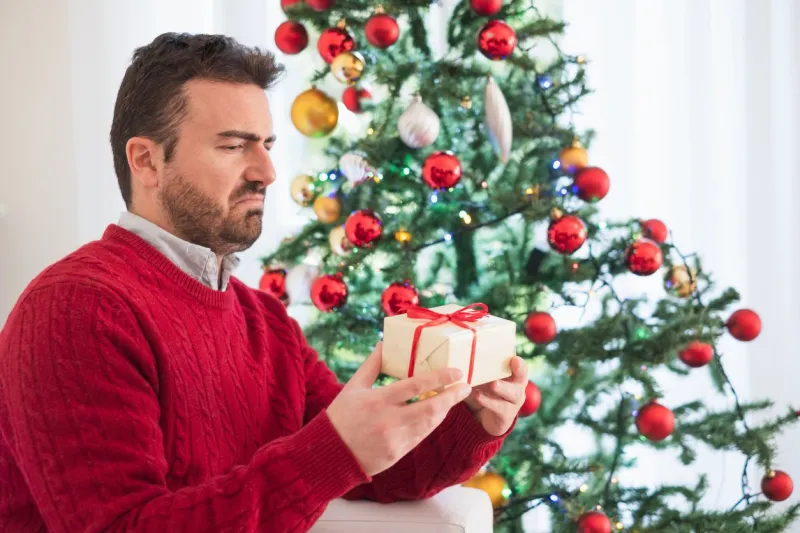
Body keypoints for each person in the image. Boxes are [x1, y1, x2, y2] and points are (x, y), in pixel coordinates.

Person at [0, 32, 529, 533]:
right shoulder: (76, 308)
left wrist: (477, 420)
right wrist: (333, 451)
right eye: (234, 146)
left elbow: (381, 471)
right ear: (147, 161)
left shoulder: (265, 321)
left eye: (267, 145)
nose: (267, 172)